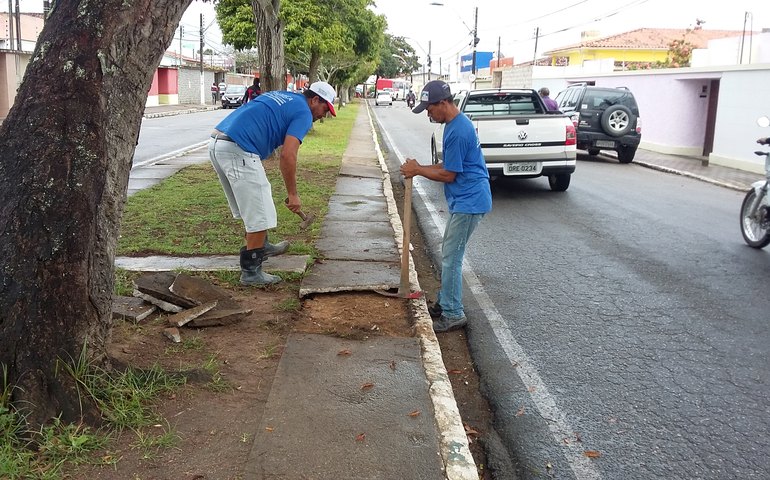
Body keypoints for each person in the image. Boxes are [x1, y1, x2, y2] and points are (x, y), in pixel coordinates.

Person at [209, 81, 337, 286]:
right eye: (325, 108)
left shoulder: (288, 97)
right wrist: (293, 193)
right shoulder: (304, 113)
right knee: (258, 213)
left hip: (219, 142)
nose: (324, 114)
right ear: (315, 100)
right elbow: (287, 155)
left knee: (255, 204)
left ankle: (262, 244)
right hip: (238, 147)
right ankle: (251, 272)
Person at [400, 80, 492, 332]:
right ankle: (445, 302)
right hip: (466, 199)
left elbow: (449, 174)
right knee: (449, 252)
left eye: (429, 109)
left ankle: (453, 313)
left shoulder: (459, 130)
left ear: (443, 103)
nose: (428, 114)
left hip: (470, 201)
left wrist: (417, 169)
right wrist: (418, 169)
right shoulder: (454, 125)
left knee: (452, 257)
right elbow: (445, 166)